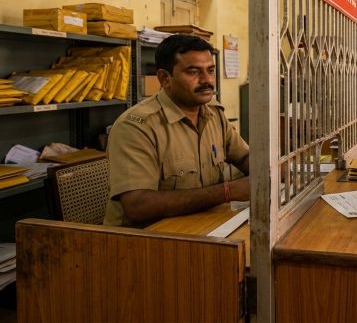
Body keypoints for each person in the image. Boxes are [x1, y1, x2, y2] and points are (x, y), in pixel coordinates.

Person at [103, 34, 250, 227]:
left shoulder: (214, 113)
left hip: (200, 224)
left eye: (210, 70)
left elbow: (244, 158)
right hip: (144, 241)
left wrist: (276, 170)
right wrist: (227, 192)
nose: (207, 80)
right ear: (165, 78)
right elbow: (138, 205)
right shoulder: (136, 127)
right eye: (193, 72)